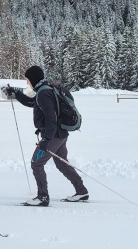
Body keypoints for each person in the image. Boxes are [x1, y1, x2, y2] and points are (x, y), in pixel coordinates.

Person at [5, 65, 89, 206]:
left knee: (36, 163)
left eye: (27, 80)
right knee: (62, 163)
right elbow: (33, 102)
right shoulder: (45, 89)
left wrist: (46, 140)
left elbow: (51, 118)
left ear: (33, 79)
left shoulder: (43, 93)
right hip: (60, 134)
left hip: (53, 136)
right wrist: (16, 93)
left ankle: (42, 197)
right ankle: (81, 191)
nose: (27, 83)